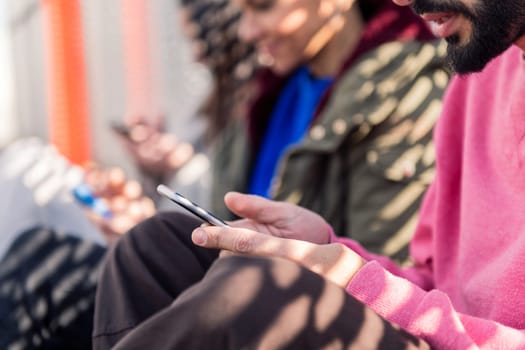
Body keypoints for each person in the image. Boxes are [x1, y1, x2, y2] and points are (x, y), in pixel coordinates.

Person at [92, 0, 525, 349]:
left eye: (262, 7)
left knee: (254, 291)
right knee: (159, 246)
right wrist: (324, 250)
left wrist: (351, 279)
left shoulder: (409, 84)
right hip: (434, 331)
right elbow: (436, 282)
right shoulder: (480, 75)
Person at [208, 0, 449, 263]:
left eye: (264, 7)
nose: (246, 32)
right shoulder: (268, 94)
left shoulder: (401, 95)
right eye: (241, 12)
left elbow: (385, 273)